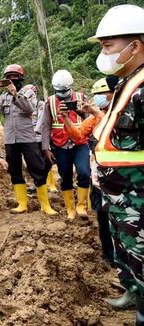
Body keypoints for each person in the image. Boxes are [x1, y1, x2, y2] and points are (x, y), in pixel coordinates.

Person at [89, 5, 144, 321]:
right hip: (121, 198)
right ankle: (133, 293)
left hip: (137, 200)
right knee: (128, 257)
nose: (104, 53)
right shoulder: (129, 82)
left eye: (108, 46)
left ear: (134, 46)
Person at [62, 77, 119, 271]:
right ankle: (108, 256)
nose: (99, 99)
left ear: (115, 92)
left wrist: (96, 112)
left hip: (120, 179)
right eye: (96, 95)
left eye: (103, 94)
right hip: (99, 177)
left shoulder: (121, 113)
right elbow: (78, 134)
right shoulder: (96, 116)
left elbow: (112, 131)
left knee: (122, 221)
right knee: (102, 218)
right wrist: (67, 119)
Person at [0, 64, 57, 215]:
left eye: (14, 76)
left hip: (27, 137)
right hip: (10, 139)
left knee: (37, 168)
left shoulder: (28, 93)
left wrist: (16, 95)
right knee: (15, 170)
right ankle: (22, 204)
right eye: (8, 77)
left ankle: (45, 205)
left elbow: (29, 109)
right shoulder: (3, 97)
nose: (11, 79)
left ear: (20, 78)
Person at [41, 70, 90, 220]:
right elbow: (45, 126)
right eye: (59, 91)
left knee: (84, 173)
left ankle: (81, 206)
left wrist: (80, 111)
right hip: (60, 145)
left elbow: (89, 118)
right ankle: (70, 209)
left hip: (80, 143)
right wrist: (46, 148)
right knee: (65, 177)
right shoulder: (49, 102)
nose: (62, 94)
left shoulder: (81, 98)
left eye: (65, 91)